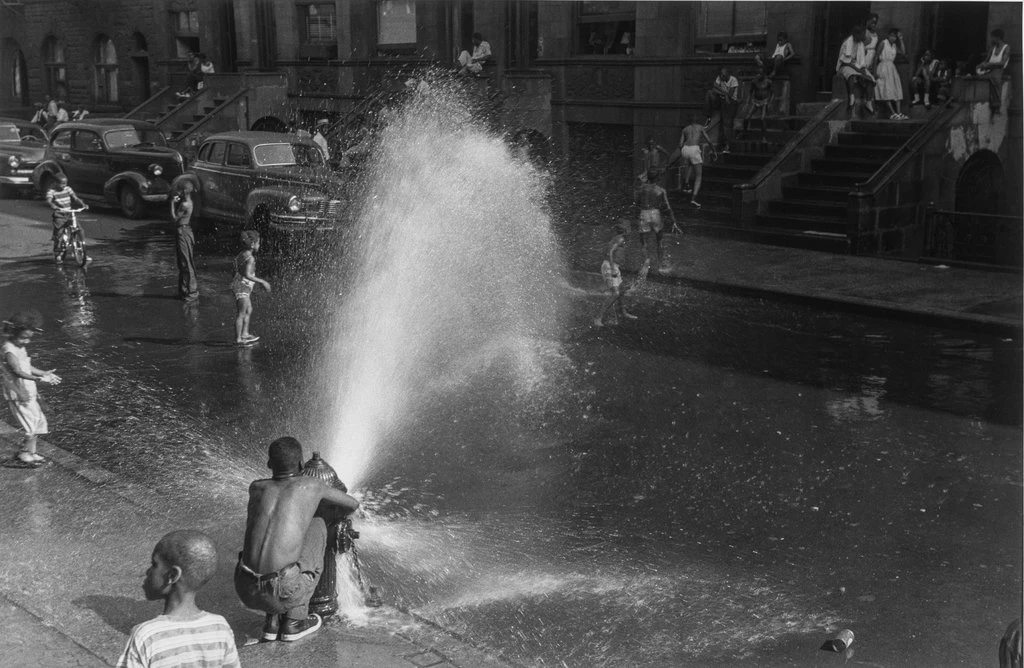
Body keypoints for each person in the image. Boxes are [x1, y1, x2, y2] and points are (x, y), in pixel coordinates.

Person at [235, 437, 360, 643]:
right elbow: (352, 505)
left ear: (269, 464)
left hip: (245, 588)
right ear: (302, 465)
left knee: (274, 533)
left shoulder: (256, 487)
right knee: (318, 523)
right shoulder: (312, 486)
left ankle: (272, 623)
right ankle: (295, 622)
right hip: (283, 591)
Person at [117, 530, 240, 668]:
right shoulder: (220, 629)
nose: (148, 572)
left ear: (172, 575)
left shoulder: (147, 637)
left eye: (154, 564)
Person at [1, 312, 60, 468]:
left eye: (29, 338)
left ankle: (30, 453)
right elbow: (17, 371)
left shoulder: (19, 347)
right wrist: (39, 379)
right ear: (13, 333)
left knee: (38, 423)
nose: (26, 341)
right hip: (19, 394)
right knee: (31, 426)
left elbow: (26, 365)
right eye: (23, 338)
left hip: (28, 392)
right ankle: (25, 455)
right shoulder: (9, 350)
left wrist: (42, 372)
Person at [593, 222, 638, 327]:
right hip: (609, 267)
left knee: (621, 290)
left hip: (614, 266)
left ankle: (623, 312)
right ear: (626, 230)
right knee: (615, 293)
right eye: (630, 229)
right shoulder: (620, 239)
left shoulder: (619, 238)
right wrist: (613, 268)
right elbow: (610, 252)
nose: (631, 231)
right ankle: (598, 317)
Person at [231, 230, 271, 346]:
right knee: (241, 313)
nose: (259, 245)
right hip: (242, 288)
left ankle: (245, 333)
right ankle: (238, 339)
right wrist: (262, 281)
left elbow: (235, 266)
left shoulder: (242, 254)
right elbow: (247, 274)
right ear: (252, 245)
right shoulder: (250, 259)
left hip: (241, 285)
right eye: (258, 243)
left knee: (248, 310)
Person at [634, 169, 674, 271]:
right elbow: (667, 207)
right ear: (658, 178)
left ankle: (646, 266)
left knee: (644, 243)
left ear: (648, 177)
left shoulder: (641, 189)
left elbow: (637, 202)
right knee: (659, 242)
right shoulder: (660, 190)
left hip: (644, 213)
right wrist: (674, 220)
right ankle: (661, 266)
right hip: (656, 214)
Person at [46, 173, 87, 262]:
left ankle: (83, 250)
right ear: (56, 183)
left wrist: (83, 204)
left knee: (79, 229)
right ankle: (58, 253)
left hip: (69, 213)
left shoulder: (68, 189)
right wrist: (52, 204)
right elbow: (49, 200)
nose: (64, 186)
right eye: (62, 184)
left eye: (65, 183)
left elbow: (75, 198)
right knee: (59, 234)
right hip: (59, 214)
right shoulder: (52, 191)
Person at [836, 25, 875, 117]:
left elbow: (861, 62)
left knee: (871, 79)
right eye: (862, 35)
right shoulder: (847, 42)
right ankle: (851, 96)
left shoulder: (860, 44)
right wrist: (858, 70)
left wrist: (862, 70)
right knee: (851, 74)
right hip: (845, 65)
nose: (864, 37)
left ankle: (868, 102)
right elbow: (846, 61)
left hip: (857, 65)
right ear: (856, 34)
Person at [677, 116, 714, 207]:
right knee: (698, 175)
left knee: (690, 163)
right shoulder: (700, 127)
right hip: (694, 149)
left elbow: (680, 144)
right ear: (697, 121)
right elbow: (708, 140)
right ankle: (693, 199)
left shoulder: (685, 129)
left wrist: (685, 151)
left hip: (685, 149)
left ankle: (686, 184)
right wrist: (714, 151)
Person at [171, 183, 199, 302]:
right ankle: (184, 291)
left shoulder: (184, 204)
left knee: (185, 262)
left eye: (181, 191)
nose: (179, 193)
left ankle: (191, 292)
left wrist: (172, 203)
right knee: (184, 261)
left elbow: (174, 218)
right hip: (187, 230)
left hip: (182, 231)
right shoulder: (190, 202)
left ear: (185, 192)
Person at [703, 67, 739, 154]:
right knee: (709, 93)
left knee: (727, 124)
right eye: (720, 75)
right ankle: (708, 116)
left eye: (723, 76)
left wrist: (725, 94)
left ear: (727, 75)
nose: (721, 77)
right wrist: (724, 93)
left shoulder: (733, 80)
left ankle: (727, 145)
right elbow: (714, 87)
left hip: (731, 102)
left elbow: (730, 95)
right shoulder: (720, 77)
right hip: (721, 99)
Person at [874, 28, 907, 120]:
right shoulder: (883, 43)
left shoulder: (895, 46)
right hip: (883, 67)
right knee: (886, 89)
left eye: (895, 36)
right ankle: (893, 113)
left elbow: (903, 53)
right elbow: (876, 57)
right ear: (888, 35)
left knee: (896, 88)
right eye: (891, 35)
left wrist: (901, 39)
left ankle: (899, 113)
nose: (893, 38)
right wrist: (874, 71)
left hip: (891, 68)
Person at [976, 29, 1009, 114]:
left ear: (998, 37)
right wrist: (981, 65)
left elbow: (1002, 63)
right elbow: (986, 61)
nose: (991, 39)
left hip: (998, 71)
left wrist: (990, 64)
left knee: (995, 78)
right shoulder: (992, 48)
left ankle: (996, 105)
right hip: (989, 70)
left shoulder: (1006, 48)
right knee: (978, 76)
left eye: (992, 37)